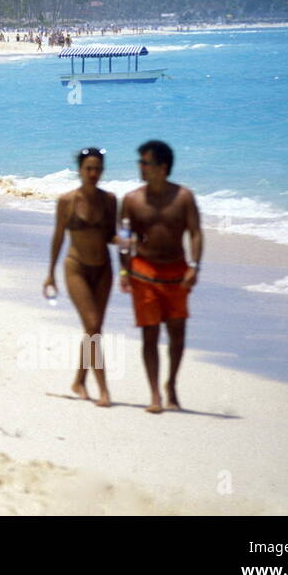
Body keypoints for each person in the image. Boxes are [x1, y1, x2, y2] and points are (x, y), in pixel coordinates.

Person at [119, 140, 203, 414]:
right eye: (140, 163)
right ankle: (154, 393)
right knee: (150, 334)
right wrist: (123, 269)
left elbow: (195, 232)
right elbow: (126, 239)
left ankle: (172, 385)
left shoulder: (183, 197)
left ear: (162, 167)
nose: (141, 168)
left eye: (145, 163)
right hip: (143, 272)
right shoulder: (132, 200)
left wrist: (194, 265)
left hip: (176, 273)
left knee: (177, 334)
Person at [44, 148, 118, 408]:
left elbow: (111, 235)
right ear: (80, 170)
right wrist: (50, 274)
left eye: (97, 168)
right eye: (88, 168)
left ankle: (79, 381)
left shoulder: (109, 200)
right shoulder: (67, 201)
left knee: (92, 329)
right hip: (75, 267)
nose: (93, 173)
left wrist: (128, 246)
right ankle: (104, 390)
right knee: (94, 324)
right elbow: (58, 237)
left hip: (104, 269)